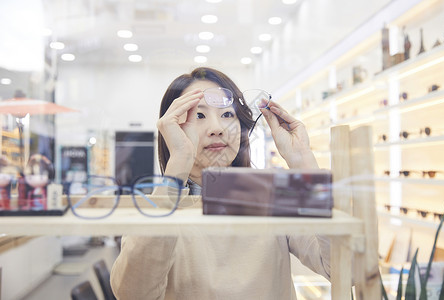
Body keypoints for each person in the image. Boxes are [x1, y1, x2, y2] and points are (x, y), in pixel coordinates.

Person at [110, 67, 330, 300]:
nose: (217, 129)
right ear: (171, 128)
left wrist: (304, 164)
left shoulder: (269, 193)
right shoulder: (156, 205)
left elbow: (343, 268)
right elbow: (132, 293)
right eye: (199, 116)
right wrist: (178, 165)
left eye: (227, 115)